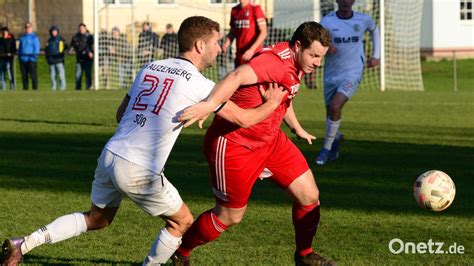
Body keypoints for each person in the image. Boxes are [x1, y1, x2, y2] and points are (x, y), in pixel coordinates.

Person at [0, 16, 287, 266]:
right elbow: (244, 120)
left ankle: (22, 244)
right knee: (182, 221)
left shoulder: (150, 66)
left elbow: (120, 113)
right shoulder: (200, 85)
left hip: (111, 153)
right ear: (200, 46)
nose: (221, 48)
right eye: (217, 42)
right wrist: (273, 102)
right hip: (138, 167)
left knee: (97, 220)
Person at [174, 21, 336, 266]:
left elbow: (284, 96)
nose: (317, 62)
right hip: (235, 145)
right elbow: (237, 75)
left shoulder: (298, 62)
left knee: (309, 195)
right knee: (229, 216)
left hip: (270, 141)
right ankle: (181, 253)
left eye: (320, 57)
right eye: (313, 55)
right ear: (298, 46)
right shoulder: (274, 62)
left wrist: (296, 127)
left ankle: (304, 256)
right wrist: (210, 105)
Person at [315, 0, 380, 166]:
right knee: (330, 112)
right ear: (337, 1)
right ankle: (335, 140)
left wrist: (376, 55)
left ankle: (325, 150)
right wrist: (327, 47)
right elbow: (318, 41)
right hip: (331, 73)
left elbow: (375, 31)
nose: (345, 2)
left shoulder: (363, 19)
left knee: (336, 107)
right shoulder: (327, 21)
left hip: (352, 73)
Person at [222, 0, 267, 67]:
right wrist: (226, 44)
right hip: (240, 55)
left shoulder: (255, 9)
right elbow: (233, 31)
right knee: (237, 76)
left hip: (253, 55)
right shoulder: (234, 10)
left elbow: (263, 32)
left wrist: (251, 50)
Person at [70, 23, 94, 90]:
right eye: (80, 29)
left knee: (88, 74)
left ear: (85, 29)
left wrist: (90, 52)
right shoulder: (75, 37)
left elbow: (91, 46)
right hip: (79, 58)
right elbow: (72, 45)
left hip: (87, 59)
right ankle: (78, 88)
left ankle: (88, 87)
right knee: (78, 75)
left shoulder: (89, 37)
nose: (81, 30)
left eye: (83, 28)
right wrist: (70, 50)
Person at [45, 25, 68, 91]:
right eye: (53, 31)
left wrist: (63, 53)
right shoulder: (49, 40)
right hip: (51, 61)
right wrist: (48, 58)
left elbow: (66, 47)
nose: (54, 33)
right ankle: (53, 88)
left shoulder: (61, 39)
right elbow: (46, 50)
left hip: (59, 60)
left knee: (61, 75)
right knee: (52, 76)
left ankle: (62, 88)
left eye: (55, 31)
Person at [18, 22, 40, 90]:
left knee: (33, 75)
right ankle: (25, 88)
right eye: (26, 27)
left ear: (31, 28)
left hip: (31, 60)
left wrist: (34, 57)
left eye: (29, 27)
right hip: (23, 59)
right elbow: (20, 48)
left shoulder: (34, 38)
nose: (28, 28)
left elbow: (36, 48)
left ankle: (35, 88)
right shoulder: (22, 38)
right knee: (24, 76)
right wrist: (20, 57)